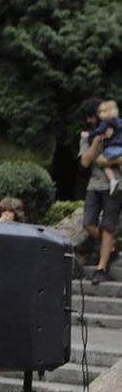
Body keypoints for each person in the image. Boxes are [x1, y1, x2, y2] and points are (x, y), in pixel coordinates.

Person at [78, 96, 121, 285]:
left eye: (91, 116)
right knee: (89, 224)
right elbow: (85, 161)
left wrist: (108, 161)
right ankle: (110, 249)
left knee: (108, 226)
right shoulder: (89, 136)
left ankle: (101, 268)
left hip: (115, 185)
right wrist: (96, 140)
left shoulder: (117, 131)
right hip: (94, 185)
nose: (89, 121)